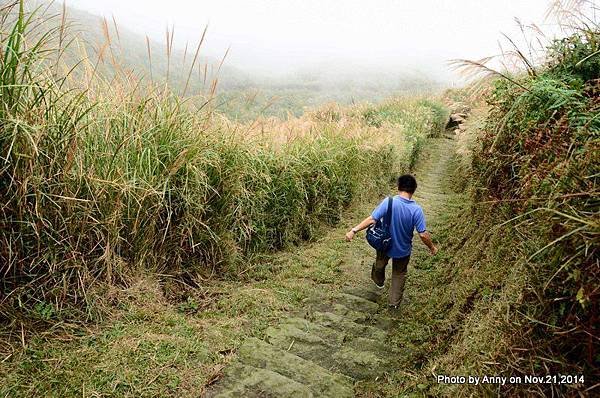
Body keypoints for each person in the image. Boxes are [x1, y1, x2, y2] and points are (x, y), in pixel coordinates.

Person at [345, 174, 437, 308]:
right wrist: (432, 248)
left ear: (398, 187)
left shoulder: (389, 202)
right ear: (413, 190)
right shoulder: (417, 210)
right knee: (399, 274)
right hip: (403, 250)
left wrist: (353, 230)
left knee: (380, 264)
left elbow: (372, 219)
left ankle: (379, 280)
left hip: (384, 244)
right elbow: (423, 235)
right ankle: (393, 304)